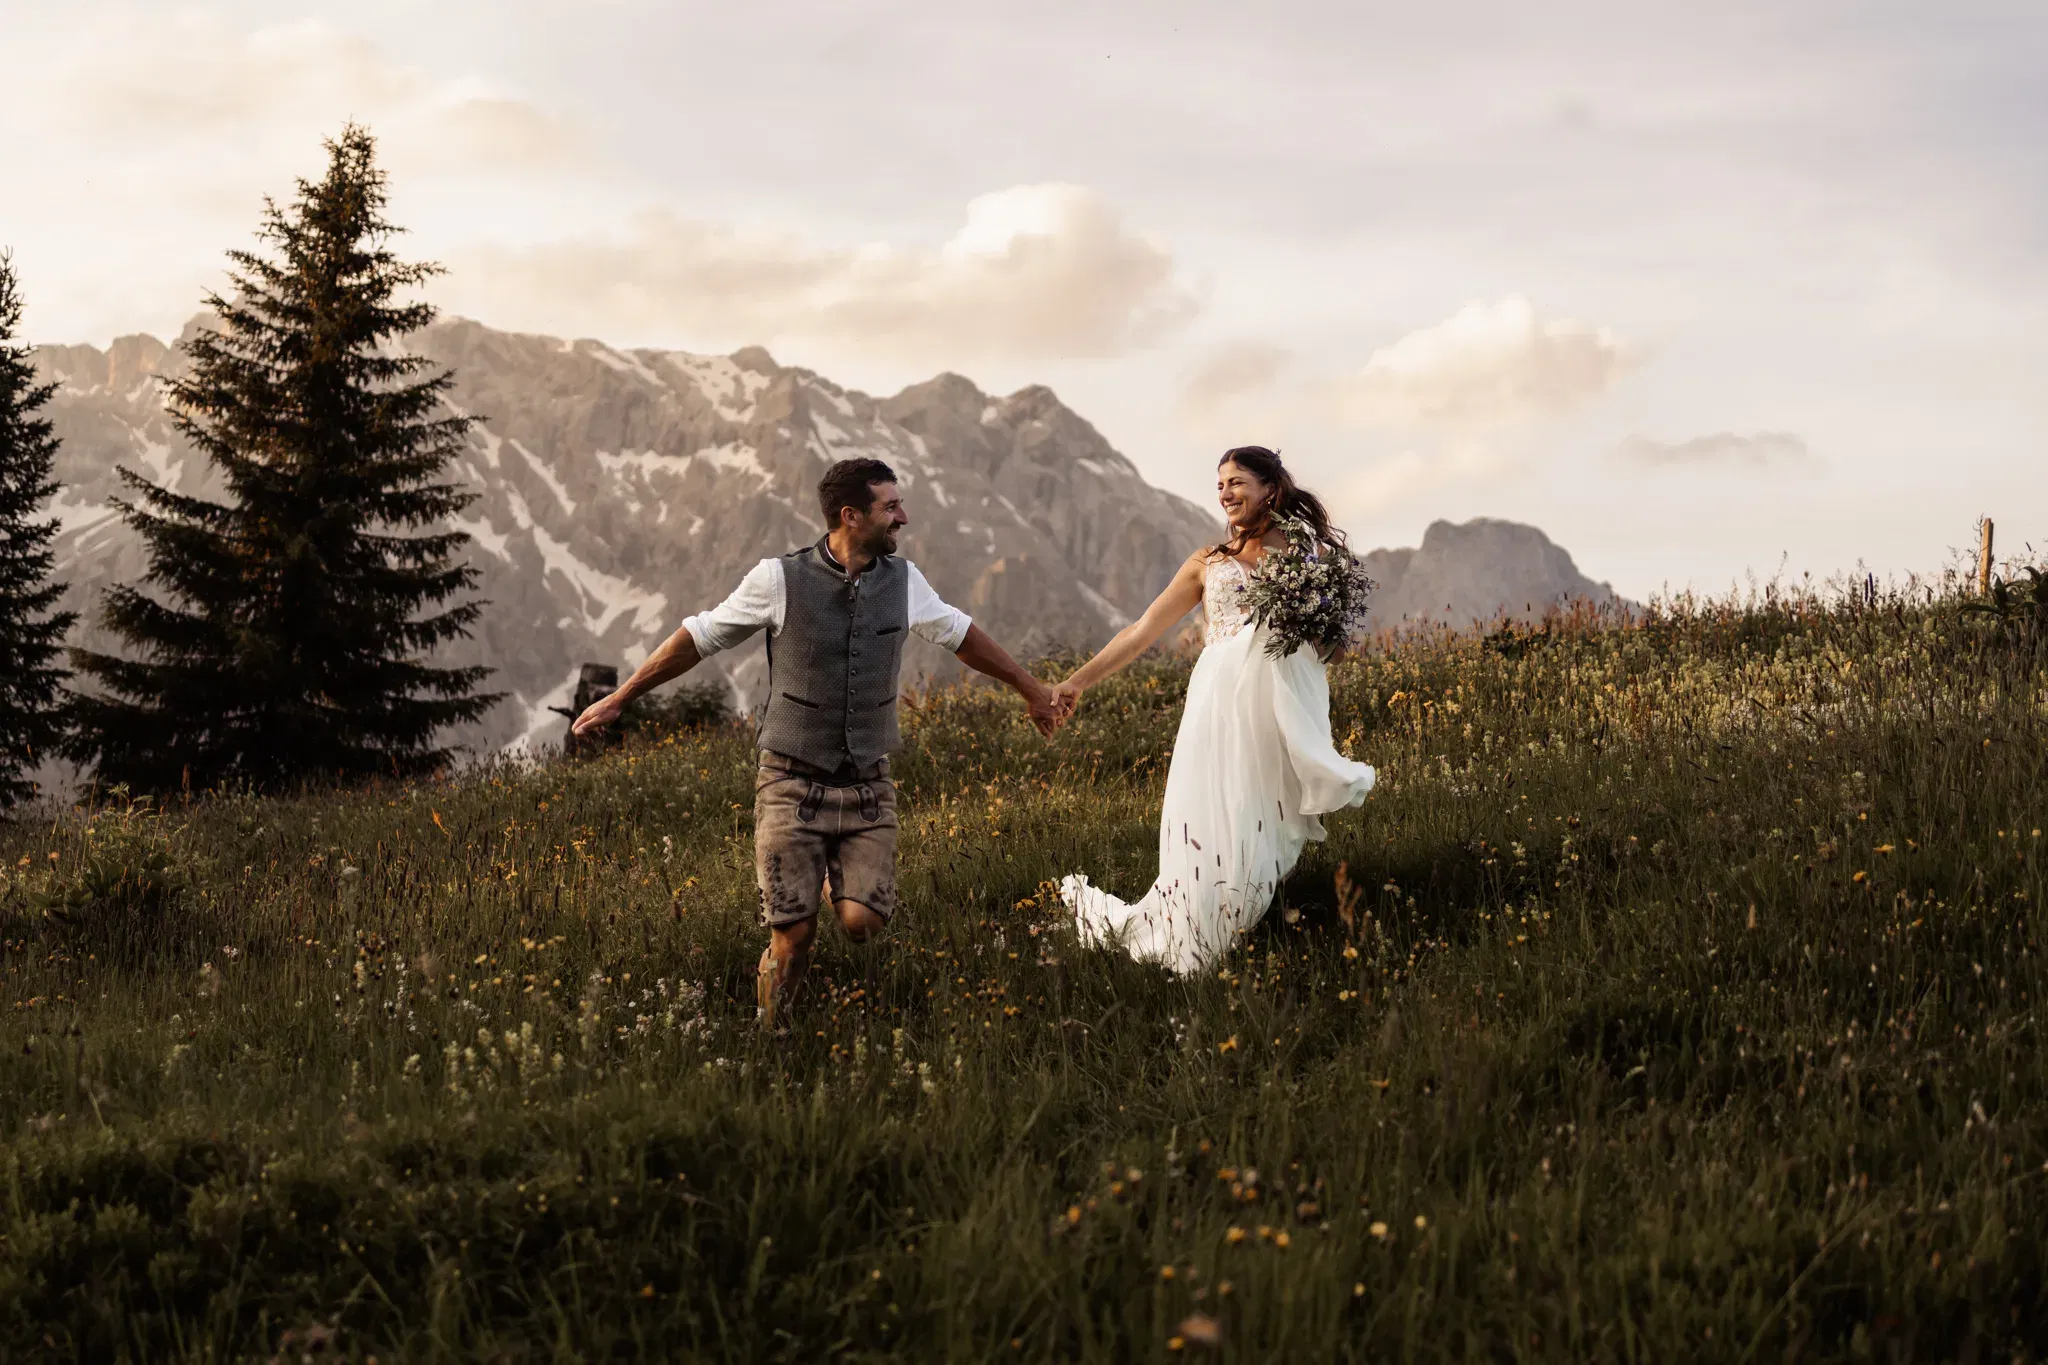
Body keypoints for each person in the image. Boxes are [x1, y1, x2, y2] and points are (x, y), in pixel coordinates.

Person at [574, 457, 1062, 1024]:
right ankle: (773, 1038)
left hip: (867, 785)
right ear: (850, 516)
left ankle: (833, 885)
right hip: (789, 780)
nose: (902, 517)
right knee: (794, 940)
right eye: (891, 507)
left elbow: (961, 636)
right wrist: (621, 697)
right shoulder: (777, 580)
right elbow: (698, 637)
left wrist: (1031, 688)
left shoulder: (905, 582)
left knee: (862, 923)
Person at [1050, 446, 1376, 975]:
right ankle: (1199, 925)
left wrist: (1307, 611)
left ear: (1270, 489)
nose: (1225, 493)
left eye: (1236, 483)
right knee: (1211, 809)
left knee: (1262, 814)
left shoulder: (1304, 556)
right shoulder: (1208, 563)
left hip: (1277, 703)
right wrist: (1075, 682)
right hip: (1218, 702)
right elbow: (1142, 631)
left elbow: (1334, 650)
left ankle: (1243, 911)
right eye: (1220, 485)